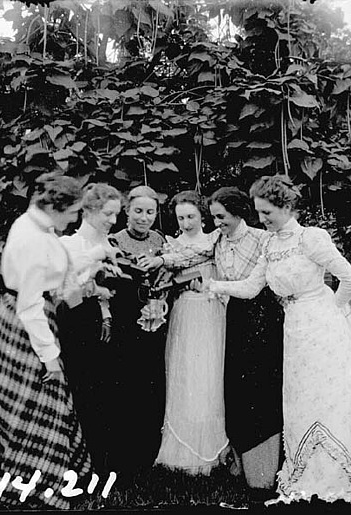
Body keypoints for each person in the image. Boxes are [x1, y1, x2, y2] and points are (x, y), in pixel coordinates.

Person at [208, 175, 351, 503]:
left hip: (322, 324)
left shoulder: (311, 238)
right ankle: (306, 474)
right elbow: (253, 287)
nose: (262, 220)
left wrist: (332, 311)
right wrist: (217, 287)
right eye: (259, 213)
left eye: (268, 213)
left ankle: (344, 475)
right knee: (301, 400)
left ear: (286, 207)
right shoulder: (270, 244)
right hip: (294, 327)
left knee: (328, 397)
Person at [0, 174, 117, 508]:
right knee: (33, 407)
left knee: (30, 406)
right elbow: (31, 304)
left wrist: (92, 275)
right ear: (57, 206)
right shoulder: (33, 237)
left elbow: (56, 274)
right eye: (73, 211)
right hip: (26, 327)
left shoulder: (36, 227)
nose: (74, 218)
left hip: (29, 320)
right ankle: (30, 488)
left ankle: (36, 480)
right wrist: (50, 359)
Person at [139, 187, 284, 496]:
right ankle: (225, 453)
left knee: (242, 382)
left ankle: (256, 458)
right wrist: (165, 264)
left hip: (251, 314)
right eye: (215, 217)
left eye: (220, 217)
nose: (217, 222)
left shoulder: (257, 239)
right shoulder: (214, 241)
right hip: (219, 312)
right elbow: (189, 257)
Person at [153, 190, 229, 475]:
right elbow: (167, 279)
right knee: (185, 373)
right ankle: (180, 448)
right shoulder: (170, 244)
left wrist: (169, 263)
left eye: (191, 216)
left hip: (211, 310)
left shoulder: (213, 240)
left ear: (202, 215)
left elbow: (203, 256)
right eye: (180, 217)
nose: (185, 223)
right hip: (184, 312)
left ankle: (213, 448)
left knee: (209, 374)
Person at [57, 183, 123, 474]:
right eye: (107, 214)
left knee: (109, 394)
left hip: (111, 326)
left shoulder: (112, 246)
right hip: (80, 325)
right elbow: (64, 296)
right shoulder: (70, 246)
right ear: (88, 211)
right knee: (85, 393)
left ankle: (108, 462)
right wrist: (95, 290)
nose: (113, 221)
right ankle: (86, 465)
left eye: (116, 215)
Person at [104, 185, 169, 478]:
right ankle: (121, 456)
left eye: (150, 212)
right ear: (127, 211)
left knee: (150, 385)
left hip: (154, 323)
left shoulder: (161, 240)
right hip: (125, 322)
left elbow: (169, 276)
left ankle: (147, 453)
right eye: (138, 211)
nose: (144, 217)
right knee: (124, 385)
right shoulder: (114, 242)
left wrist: (161, 296)